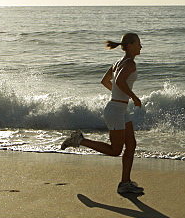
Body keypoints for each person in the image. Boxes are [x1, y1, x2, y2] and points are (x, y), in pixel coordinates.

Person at [61, 32, 145, 195]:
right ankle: (79, 140)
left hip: (119, 109)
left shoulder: (118, 62)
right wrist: (134, 97)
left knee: (132, 145)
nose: (141, 46)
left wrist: (119, 96)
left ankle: (125, 183)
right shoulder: (129, 64)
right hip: (115, 111)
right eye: (138, 43)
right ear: (129, 46)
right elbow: (119, 81)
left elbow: (106, 81)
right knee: (115, 150)